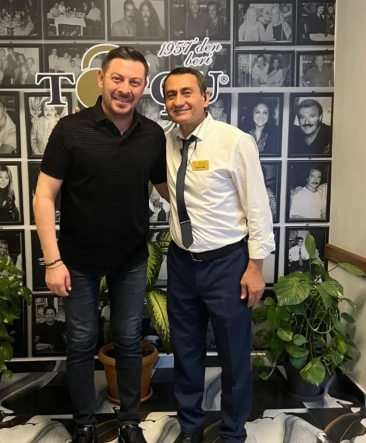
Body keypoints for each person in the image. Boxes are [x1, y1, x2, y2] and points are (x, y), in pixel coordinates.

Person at [33, 46, 168, 443]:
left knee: (128, 342)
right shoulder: (69, 130)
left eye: (135, 82)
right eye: (117, 79)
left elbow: (169, 191)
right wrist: (53, 261)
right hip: (77, 260)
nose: (125, 89)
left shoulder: (152, 135)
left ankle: (129, 422)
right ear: (101, 79)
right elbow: (44, 197)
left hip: (131, 259)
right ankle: (84, 424)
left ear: (144, 87)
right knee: (80, 344)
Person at [162, 67, 275, 443]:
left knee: (234, 357)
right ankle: (190, 429)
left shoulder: (234, 141)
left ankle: (232, 433)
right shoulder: (166, 141)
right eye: (171, 95)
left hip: (228, 265)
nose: (179, 101)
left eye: (187, 92)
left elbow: (258, 207)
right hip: (182, 263)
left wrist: (255, 267)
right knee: (186, 353)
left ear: (205, 96)